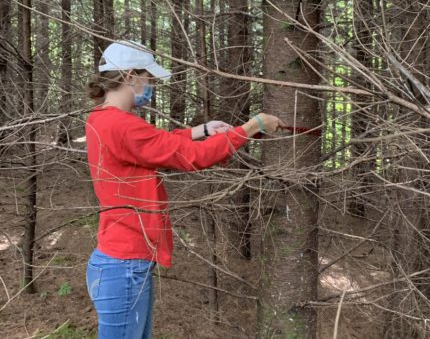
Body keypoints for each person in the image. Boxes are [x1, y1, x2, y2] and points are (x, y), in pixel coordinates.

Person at [85, 41, 283, 339]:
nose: (151, 85)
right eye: (148, 78)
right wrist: (250, 128)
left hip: (122, 260)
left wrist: (200, 131)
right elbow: (193, 156)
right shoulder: (121, 125)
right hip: (123, 264)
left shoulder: (103, 119)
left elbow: (155, 143)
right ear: (129, 76)